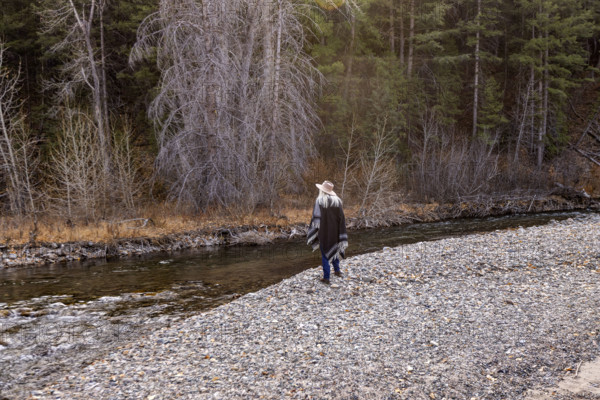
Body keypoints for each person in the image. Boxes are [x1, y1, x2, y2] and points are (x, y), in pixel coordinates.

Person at [307, 180, 348, 284]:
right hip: (336, 231)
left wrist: (314, 231)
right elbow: (341, 218)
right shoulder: (337, 201)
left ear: (322, 190)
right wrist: (341, 232)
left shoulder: (319, 201)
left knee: (325, 252)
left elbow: (316, 219)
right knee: (335, 249)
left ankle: (326, 277)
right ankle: (337, 271)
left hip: (324, 231)